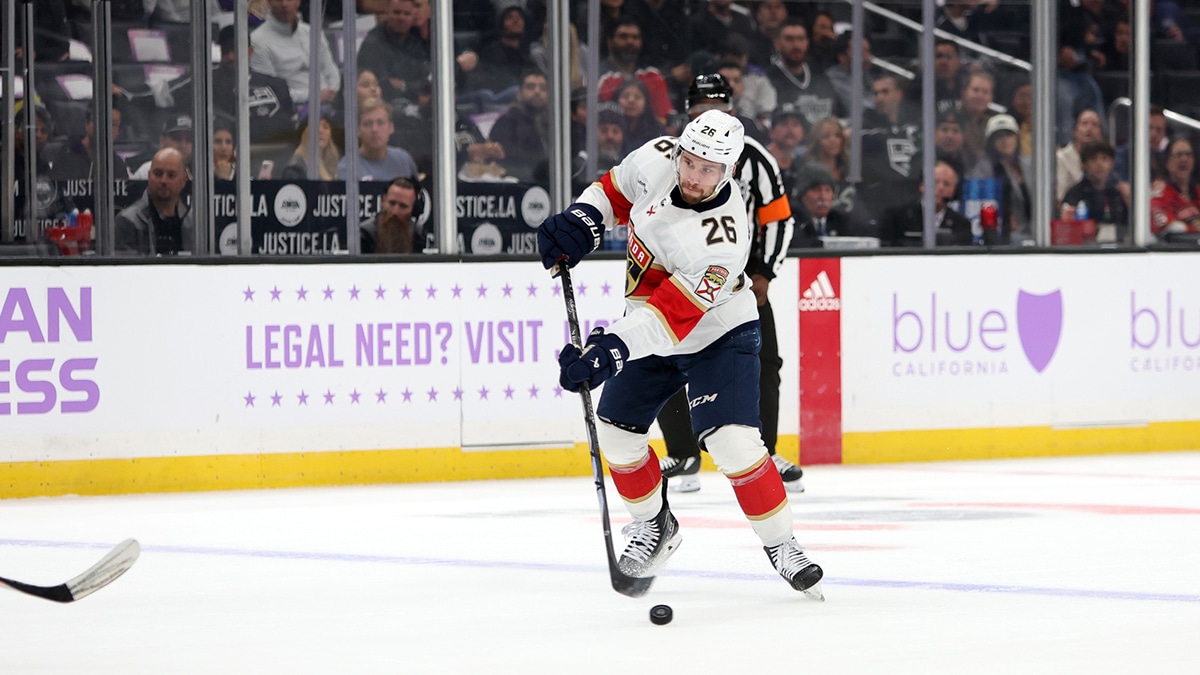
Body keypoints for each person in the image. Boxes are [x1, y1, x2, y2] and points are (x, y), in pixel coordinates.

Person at [536, 109, 824, 596]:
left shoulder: (725, 238)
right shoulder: (659, 157)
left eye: (707, 169)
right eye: (690, 162)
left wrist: (609, 350)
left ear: (728, 171)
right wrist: (583, 220)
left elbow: (670, 317)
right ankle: (655, 526)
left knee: (733, 445)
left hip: (718, 335)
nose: (693, 176)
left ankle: (782, 543)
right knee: (616, 433)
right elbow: (613, 190)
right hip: (649, 327)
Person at [654, 74, 800, 494]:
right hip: (681, 278)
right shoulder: (670, 155)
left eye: (718, 108)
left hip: (741, 283)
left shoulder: (755, 158)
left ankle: (764, 452)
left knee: (764, 362)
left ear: (732, 111)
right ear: (688, 113)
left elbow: (777, 219)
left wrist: (764, 273)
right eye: (701, 109)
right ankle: (683, 454)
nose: (710, 117)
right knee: (667, 359)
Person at [250, 0, 341, 110]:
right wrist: (312, 96)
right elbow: (269, 91)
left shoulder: (313, 32)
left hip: (331, 102)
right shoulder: (257, 41)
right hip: (293, 110)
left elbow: (331, 70)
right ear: (268, 3)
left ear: (298, 2)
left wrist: (332, 92)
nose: (284, 4)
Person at [114, 148, 195, 256]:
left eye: (171, 175)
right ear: (149, 176)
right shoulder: (127, 221)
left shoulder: (193, 222)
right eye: (158, 174)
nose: (163, 180)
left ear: (183, 181)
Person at [968, 114, 1032, 245]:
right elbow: (976, 204)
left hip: (1033, 232)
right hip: (1001, 235)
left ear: (1017, 138)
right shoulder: (982, 169)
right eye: (998, 136)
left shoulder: (1030, 165)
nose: (1005, 140)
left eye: (1009, 135)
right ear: (990, 142)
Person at [596, 18, 674, 123]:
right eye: (623, 36)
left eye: (635, 37)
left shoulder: (652, 76)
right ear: (610, 41)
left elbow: (664, 117)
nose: (630, 41)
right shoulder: (597, 76)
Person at [767, 17, 841, 127]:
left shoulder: (820, 76)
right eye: (789, 39)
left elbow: (838, 115)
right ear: (777, 43)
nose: (796, 45)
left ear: (807, 42)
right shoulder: (769, 78)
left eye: (800, 39)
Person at [880, 159, 972, 247]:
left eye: (947, 184)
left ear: (953, 191)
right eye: (935, 182)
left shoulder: (961, 224)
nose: (940, 188)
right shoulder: (897, 218)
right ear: (922, 186)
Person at [356, 0, 429, 103]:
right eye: (396, 12)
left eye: (407, 14)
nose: (401, 18)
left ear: (413, 16)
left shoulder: (417, 38)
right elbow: (384, 87)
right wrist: (413, 87)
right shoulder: (373, 43)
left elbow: (427, 81)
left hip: (416, 104)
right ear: (387, 12)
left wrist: (404, 86)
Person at [486, 69, 550, 184]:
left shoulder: (555, 124)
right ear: (519, 94)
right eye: (530, 87)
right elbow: (507, 162)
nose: (537, 91)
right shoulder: (506, 122)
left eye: (543, 88)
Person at [1062, 139, 1129, 243]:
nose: (1099, 164)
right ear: (1083, 165)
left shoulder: (1117, 194)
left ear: (1112, 164)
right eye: (1093, 159)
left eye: (1104, 159)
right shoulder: (1074, 194)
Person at [337, 98, 419, 181]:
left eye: (380, 123)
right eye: (368, 124)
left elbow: (419, 192)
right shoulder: (348, 167)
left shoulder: (403, 160)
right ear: (358, 130)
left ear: (391, 127)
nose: (374, 129)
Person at [791, 161, 852, 248]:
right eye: (816, 190)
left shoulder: (841, 222)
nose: (823, 197)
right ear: (802, 195)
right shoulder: (791, 224)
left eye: (827, 190)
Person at [1150, 137, 1200, 238]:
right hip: (1172, 249)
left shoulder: (1197, 191)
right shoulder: (1159, 191)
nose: (1184, 159)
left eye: (1188, 154)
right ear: (1167, 162)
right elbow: (1163, 225)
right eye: (1178, 155)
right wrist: (1191, 228)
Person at [361, 176, 425, 253]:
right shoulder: (366, 234)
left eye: (403, 206)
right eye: (392, 203)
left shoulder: (417, 234)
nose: (395, 212)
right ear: (383, 201)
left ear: (412, 209)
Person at [1056, 108, 1106, 203]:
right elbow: (1059, 197)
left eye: (1095, 125)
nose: (1089, 129)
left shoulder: (1105, 160)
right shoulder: (1060, 158)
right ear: (1074, 131)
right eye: (1084, 123)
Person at [129, 115, 194, 180]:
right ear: (162, 141)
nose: (183, 145)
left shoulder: (200, 172)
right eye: (176, 138)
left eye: (188, 139)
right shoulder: (147, 170)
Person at [612, 78, 666, 156]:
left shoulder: (656, 129)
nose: (631, 100)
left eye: (637, 97)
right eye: (625, 96)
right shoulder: (610, 128)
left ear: (646, 102)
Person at [285, 114, 341, 180]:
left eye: (325, 127)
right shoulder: (295, 169)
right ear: (304, 134)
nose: (320, 131)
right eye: (315, 126)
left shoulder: (335, 162)